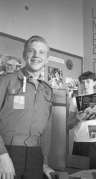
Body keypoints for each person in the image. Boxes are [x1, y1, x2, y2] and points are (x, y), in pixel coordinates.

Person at [0, 35, 55, 179]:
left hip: (35, 157)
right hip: (7, 152)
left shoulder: (47, 90)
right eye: (32, 51)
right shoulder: (6, 81)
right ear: (25, 54)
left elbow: (46, 131)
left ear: (47, 59)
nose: (37, 55)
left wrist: (44, 163)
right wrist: (2, 155)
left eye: (42, 52)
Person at [67, 71, 96, 169]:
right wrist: (77, 119)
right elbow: (68, 125)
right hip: (80, 140)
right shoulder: (74, 100)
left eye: (88, 82)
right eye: (83, 82)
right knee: (79, 173)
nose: (85, 85)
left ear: (94, 82)